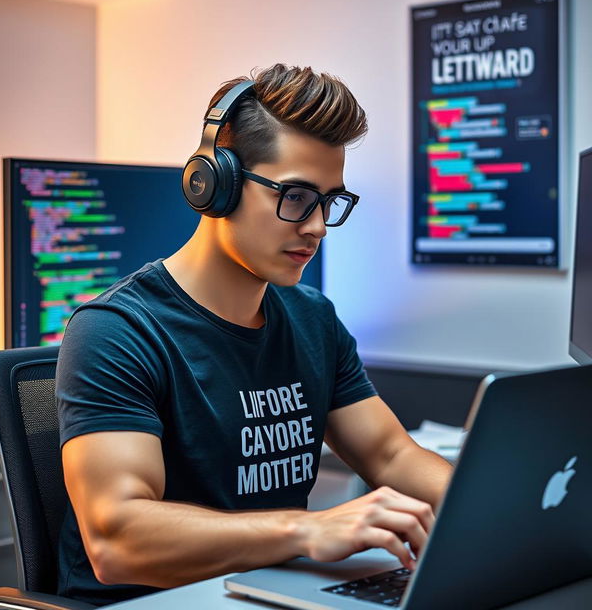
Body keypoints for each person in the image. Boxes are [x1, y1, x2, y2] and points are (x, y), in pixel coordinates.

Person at [56, 64, 453, 606]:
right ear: (214, 186)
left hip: (266, 592)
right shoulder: (116, 332)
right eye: (296, 196)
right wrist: (308, 530)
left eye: (330, 200)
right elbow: (115, 539)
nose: (315, 225)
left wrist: (498, 507)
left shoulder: (312, 318)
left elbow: (389, 455)